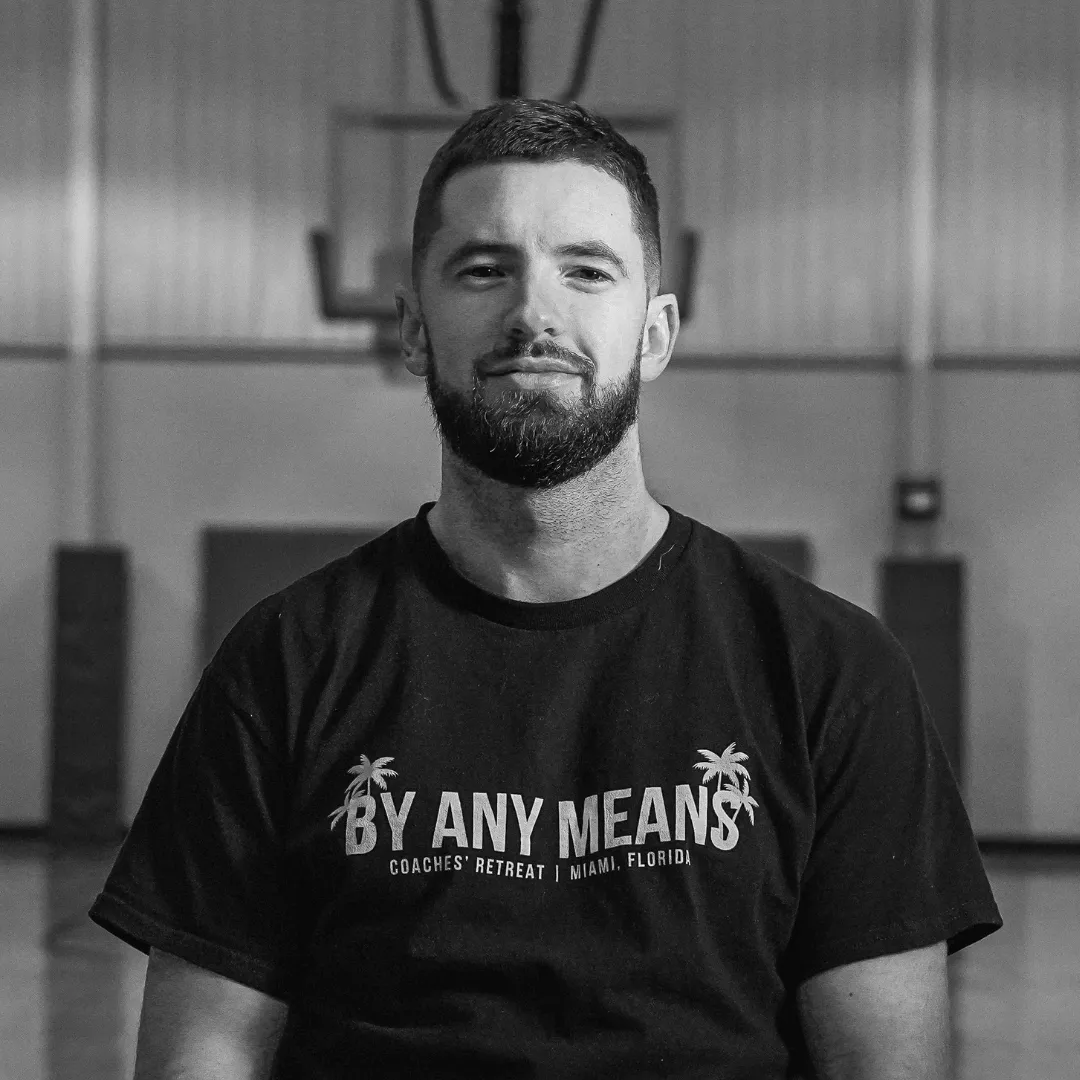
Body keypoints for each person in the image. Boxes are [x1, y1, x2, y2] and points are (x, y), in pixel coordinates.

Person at [90, 98, 1002, 1080]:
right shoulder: (287, 661)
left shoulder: (832, 670)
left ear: (656, 332)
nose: (534, 314)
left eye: (587, 270)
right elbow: (201, 1055)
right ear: (413, 329)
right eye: (485, 270)